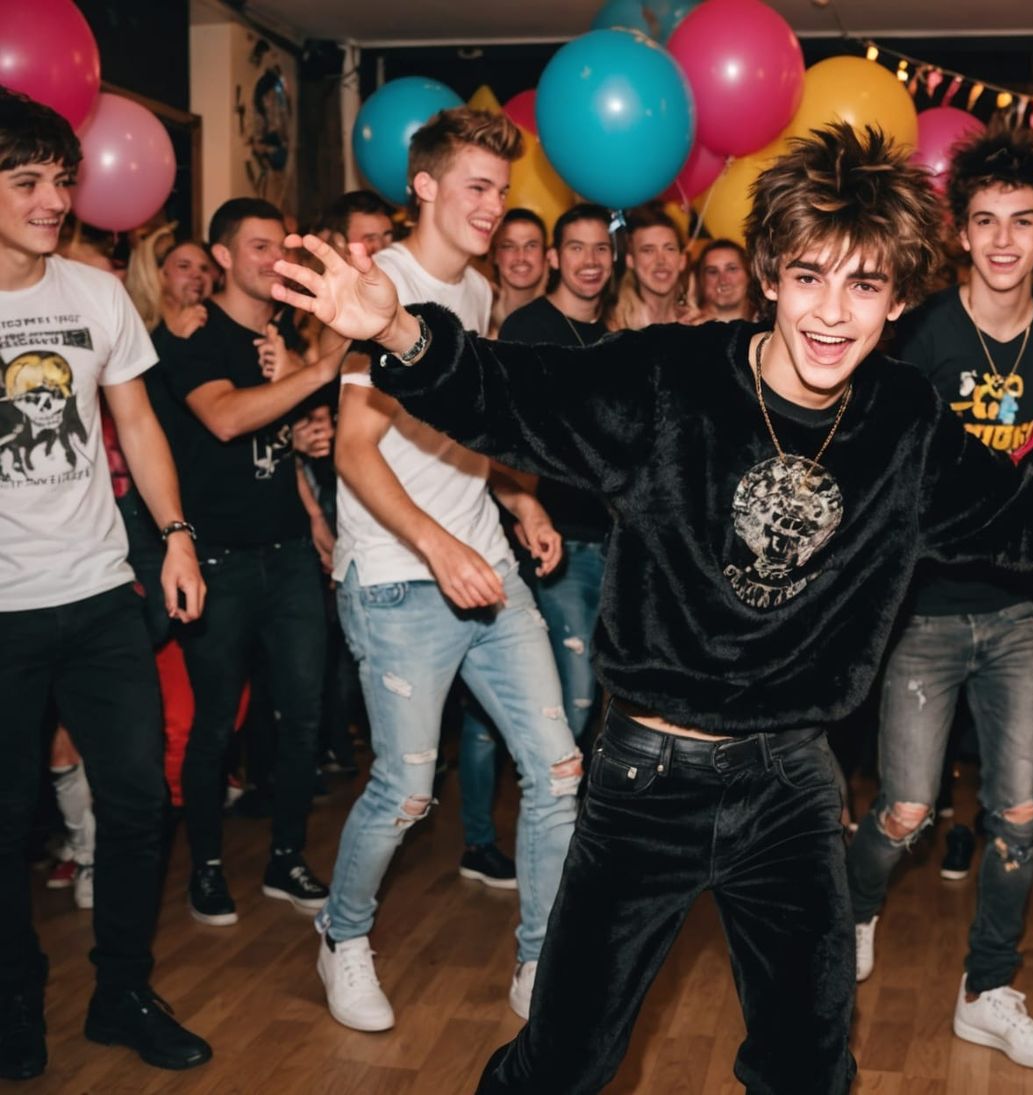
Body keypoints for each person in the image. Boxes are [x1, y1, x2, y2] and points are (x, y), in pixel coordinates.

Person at [270, 122, 1033, 1095]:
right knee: (564, 1063)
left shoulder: (902, 422)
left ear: (897, 300)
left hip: (791, 783)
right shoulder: (674, 379)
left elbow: (1024, 512)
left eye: (863, 284)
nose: (831, 313)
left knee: (809, 1068)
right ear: (768, 277)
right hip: (647, 778)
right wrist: (397, 329)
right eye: (808, 277)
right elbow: (514, 394)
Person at [310, 106, 576, 1030]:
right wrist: (438, 543)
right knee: (406, 790)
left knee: (559, 771)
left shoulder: (476, 290)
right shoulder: (381, 286)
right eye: (477, 186)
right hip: (397, 575)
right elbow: (354, 449)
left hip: (485, 566)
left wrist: (519, 497)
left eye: (502, 191)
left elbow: (466, 426)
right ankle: (342, 935)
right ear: (423, 185)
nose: (494, 207)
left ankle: (540, 962)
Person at [844, 121, 1033, 1070]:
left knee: (1020, 816)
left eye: (1021, 222)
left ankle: (987, 989)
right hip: (925, 609)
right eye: (985, 220)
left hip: (1018, 609)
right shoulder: (921, 332)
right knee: (906, 810)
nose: (1002, 240)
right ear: (961, 231)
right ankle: (853, 908)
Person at [0, 87, 211, 1079]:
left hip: (97, 595)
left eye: (62, 180)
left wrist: (175, 538)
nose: (54, 201)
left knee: (136, 804)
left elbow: (137, 423)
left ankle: (122, 991)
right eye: (27, 182)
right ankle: (14, 996)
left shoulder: (94, 295)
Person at [156, 196, 337, 925]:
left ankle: (285, 857)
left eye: (283, 247)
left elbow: (284, 444)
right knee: (214, 725)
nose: (275, 260)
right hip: (219, 557)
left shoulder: (283, 334)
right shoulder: (194, 336)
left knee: (303, 716)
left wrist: (314, 513)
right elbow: (227, 418)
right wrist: (317, 373)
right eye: (260, 247)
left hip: (288, 552)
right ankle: (204, 867)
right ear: (225, 256)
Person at [498, 203, 616, 741]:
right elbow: (502, 438)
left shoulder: (612, 339)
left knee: (603, 702)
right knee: (572, 699)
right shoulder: (527, 328)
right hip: (557, 541)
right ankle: (555, 792)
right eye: (576, 248)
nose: (590, 261)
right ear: (553, 258)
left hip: (612, 539)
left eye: (601, 248)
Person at [609, 202, 696, 331]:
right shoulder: (612, 327)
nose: (661, 260)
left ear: (682, 260)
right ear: (630, 260)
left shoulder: (698, 326)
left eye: (669, 249)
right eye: (648, 250)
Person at [487, 207, 546, 337]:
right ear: (494, 255)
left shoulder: (565, 313)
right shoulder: (478, 307)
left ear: (546, 255)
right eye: (508, 246)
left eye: (531, 246)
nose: (521, 257)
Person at [696, 237, 759, 322]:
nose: (723, 280)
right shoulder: (684, 327)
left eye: (732, 269)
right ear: (702, 279)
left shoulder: (770, 325)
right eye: (713, 272)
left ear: (749, 275)